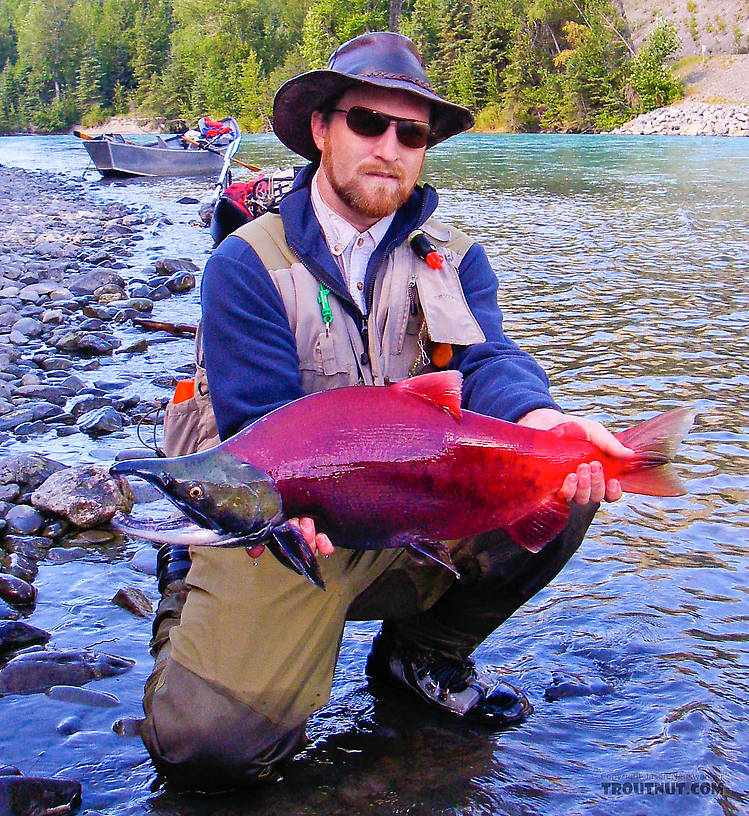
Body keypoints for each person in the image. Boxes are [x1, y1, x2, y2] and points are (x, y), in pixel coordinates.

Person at [142, 31, 632, 791]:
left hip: (408, 506)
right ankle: (185, 576)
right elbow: (259, 425)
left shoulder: (454, 257)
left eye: (412, 133)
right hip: (295, 523)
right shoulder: (246, 263)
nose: (390, 146)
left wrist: (540, 421)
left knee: (557, 482)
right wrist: (280, 512)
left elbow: (488, 362)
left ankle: (421, 655)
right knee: (210, 751)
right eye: (368, 123)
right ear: (321, 129)